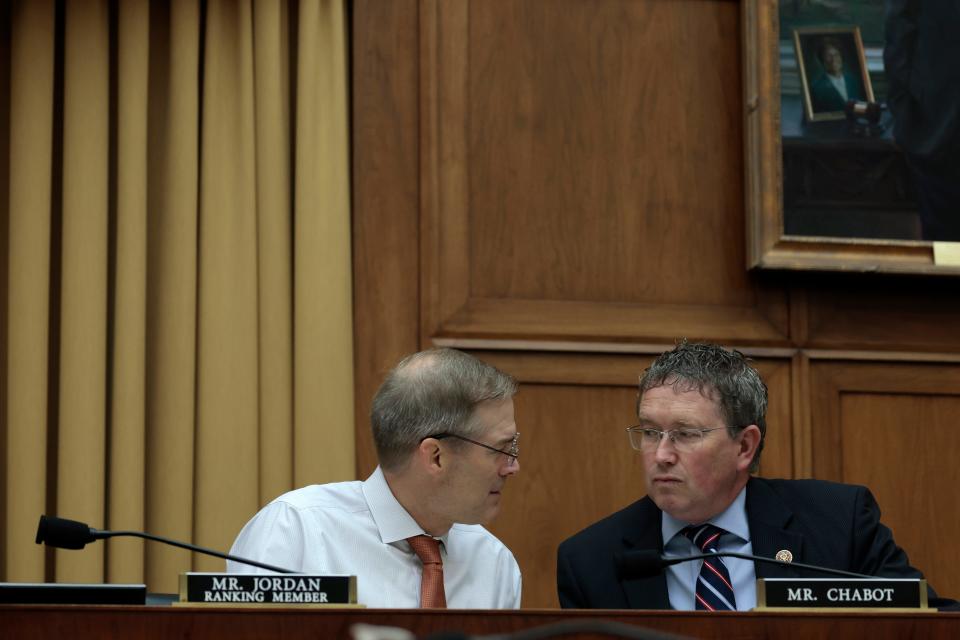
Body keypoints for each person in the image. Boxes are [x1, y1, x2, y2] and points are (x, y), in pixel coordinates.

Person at [557, 341, 953, 610]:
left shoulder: (838, 524)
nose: (660, 455)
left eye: (685, 434)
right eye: (649, 433)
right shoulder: (592, 561)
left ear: (744, 446)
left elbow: (928, 625)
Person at [228, 348, 522, 608]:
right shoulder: (296, 531)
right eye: (500, 449)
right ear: (436, 456)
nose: (512, 467)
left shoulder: (494, 562)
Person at [884, 0, 960, 241]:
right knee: (945, 254)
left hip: (936, 124)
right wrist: (905, 112)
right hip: (936, 128)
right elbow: (898, 35)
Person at [808, 37, 864, 113]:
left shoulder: (853, 81)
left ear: (841, 57)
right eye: (828, 55)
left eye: (836, 54)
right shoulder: (816, 88)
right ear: (822, 60)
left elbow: (861, 107)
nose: (833, 59)